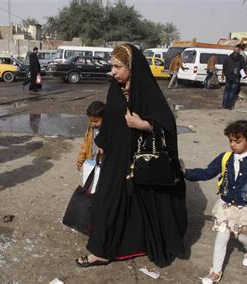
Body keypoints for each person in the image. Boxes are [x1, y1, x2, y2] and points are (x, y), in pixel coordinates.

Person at [76, 44, 187, 268]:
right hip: (116, 160)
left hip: (141, 162)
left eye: (118, 67)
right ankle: (101, 251)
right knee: (107, 202)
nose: (113, 72)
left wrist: (143, 125)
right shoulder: (114, 89)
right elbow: (110, 120)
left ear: (131, 67)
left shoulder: (146, 92)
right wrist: (103, 144)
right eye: (111, 66)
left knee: (141, 205)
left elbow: (167, 127)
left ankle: (134, 244)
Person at [183, 120, 247, 284]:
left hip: (246, 208)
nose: (232, 144)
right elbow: (207, 173)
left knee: (243, 236)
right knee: (221, 238)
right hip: (225, 207)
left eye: (237, 141)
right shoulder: (224, 158)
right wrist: (186, 172)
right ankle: (215, 272)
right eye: (230, 140)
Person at [76, 101, 105, 171]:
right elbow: (85, 145)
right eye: (91, 121)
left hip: (102, 163)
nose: (92, 124)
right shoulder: (90, 129)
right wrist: (80, 160)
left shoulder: (108, 131)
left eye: (96, 121)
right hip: (90, 161)